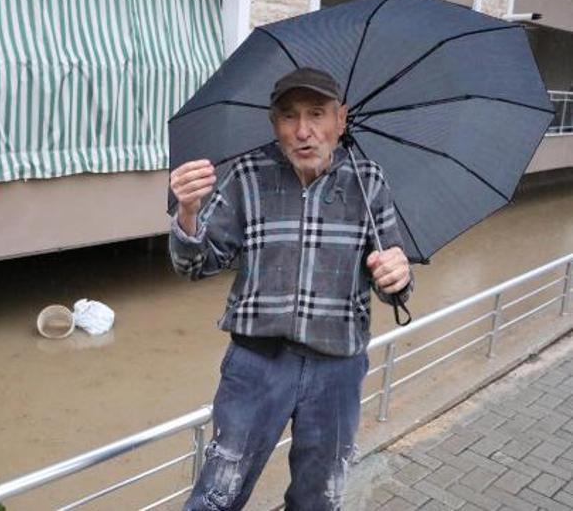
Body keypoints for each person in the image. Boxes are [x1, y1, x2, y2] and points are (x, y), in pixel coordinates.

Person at [169, 67, 413, 510]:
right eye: (289, 116)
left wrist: (398, 275)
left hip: (337, 367)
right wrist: (188, 213)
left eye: (316, 114)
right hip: (256, 364)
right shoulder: (247, 175)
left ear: (340, 119)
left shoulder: (368, 180)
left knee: (319, 496)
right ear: (273, 123)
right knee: (217, 495)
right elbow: (195, 265)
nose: (303, 131)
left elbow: (394, 286)